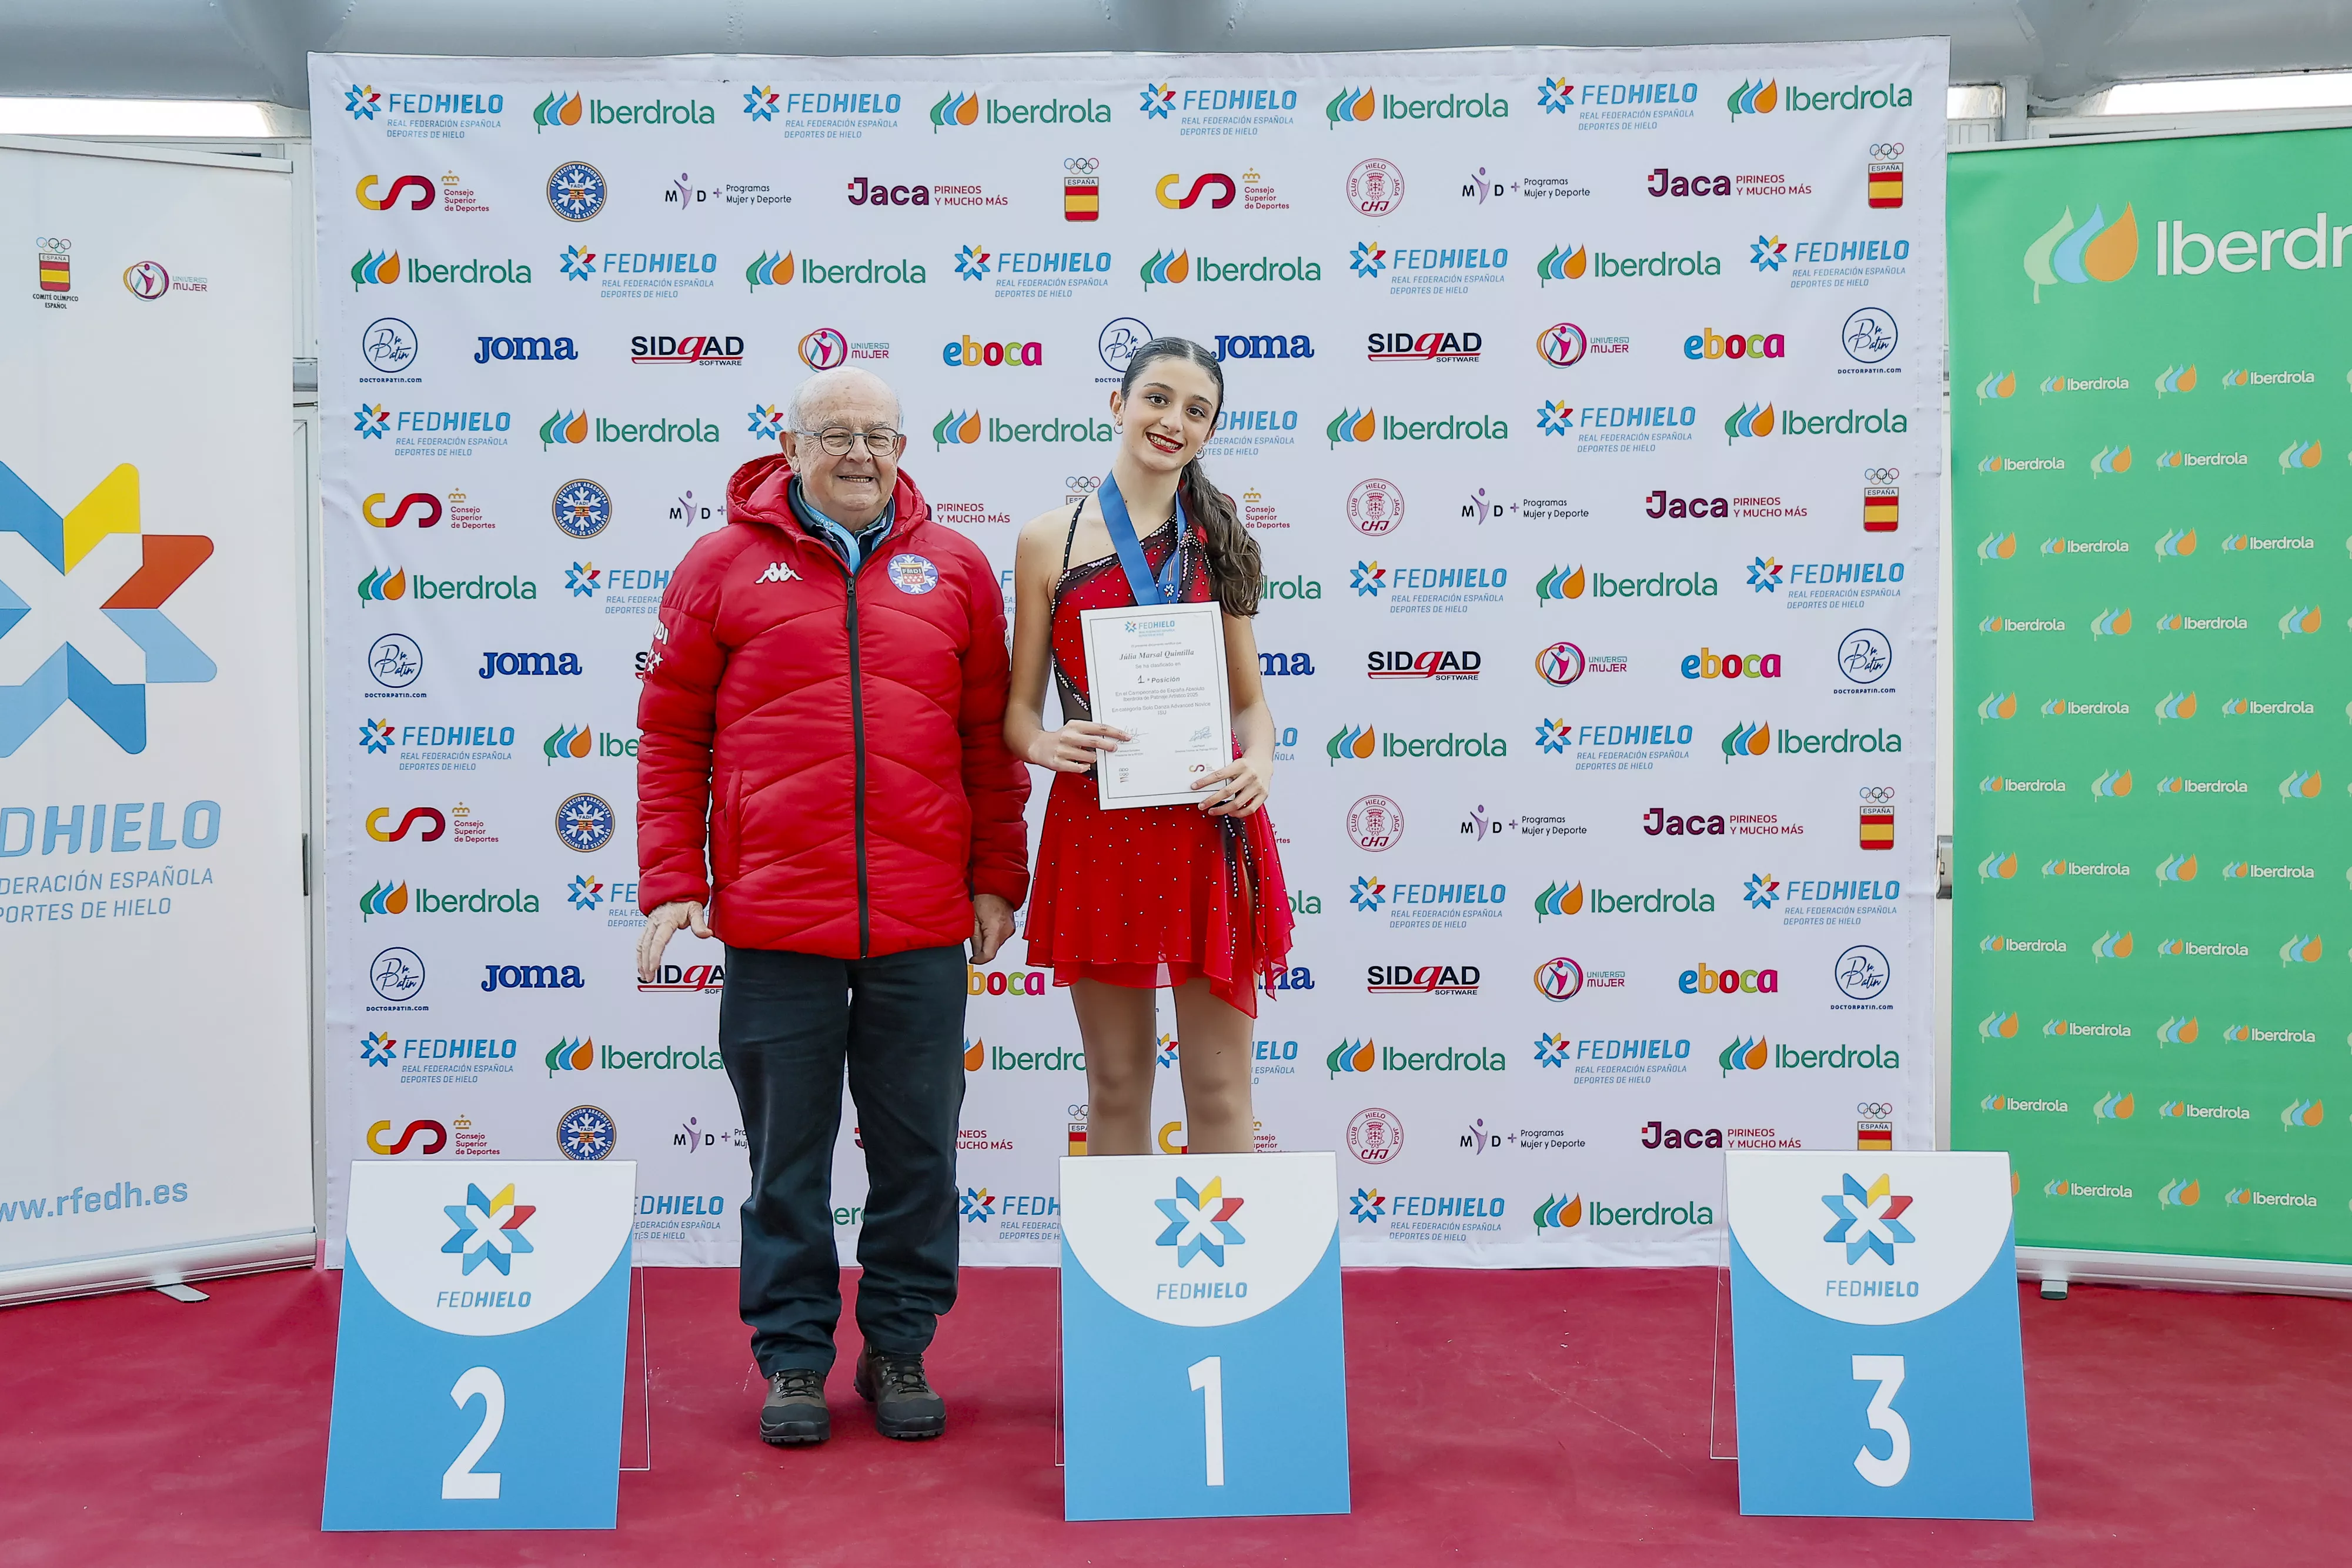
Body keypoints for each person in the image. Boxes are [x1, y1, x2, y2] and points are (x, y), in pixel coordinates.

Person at [634, 365, 1030, 1447]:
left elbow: (988, 743)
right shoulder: (722, 563)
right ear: (791, 442)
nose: (861, 453)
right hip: (772, 924)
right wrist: (675, 881)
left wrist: (1000, 875)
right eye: (838, 433)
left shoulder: (952, 567)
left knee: (920, 1155)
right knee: (785, 1162)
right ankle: (795, 1360)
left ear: (904, 447)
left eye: (881, 435)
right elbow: (671, 737)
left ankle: (899, 1344)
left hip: (919, 924)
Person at [1003, 336, 1293, 1158]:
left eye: (1195, 411)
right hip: (1100, 824)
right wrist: (1045, 741)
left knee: (1221, 1088)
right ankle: (1121, 1288)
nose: (1172, 421)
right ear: (1118, 406)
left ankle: (1228, 1287)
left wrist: (1259, 764)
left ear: (1210, 432)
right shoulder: (1044, 541)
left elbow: (1252, 706)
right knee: (1118, 1085)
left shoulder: (1218, 537)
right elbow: (1016, 714)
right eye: (1157, 398)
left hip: (1210, 824)